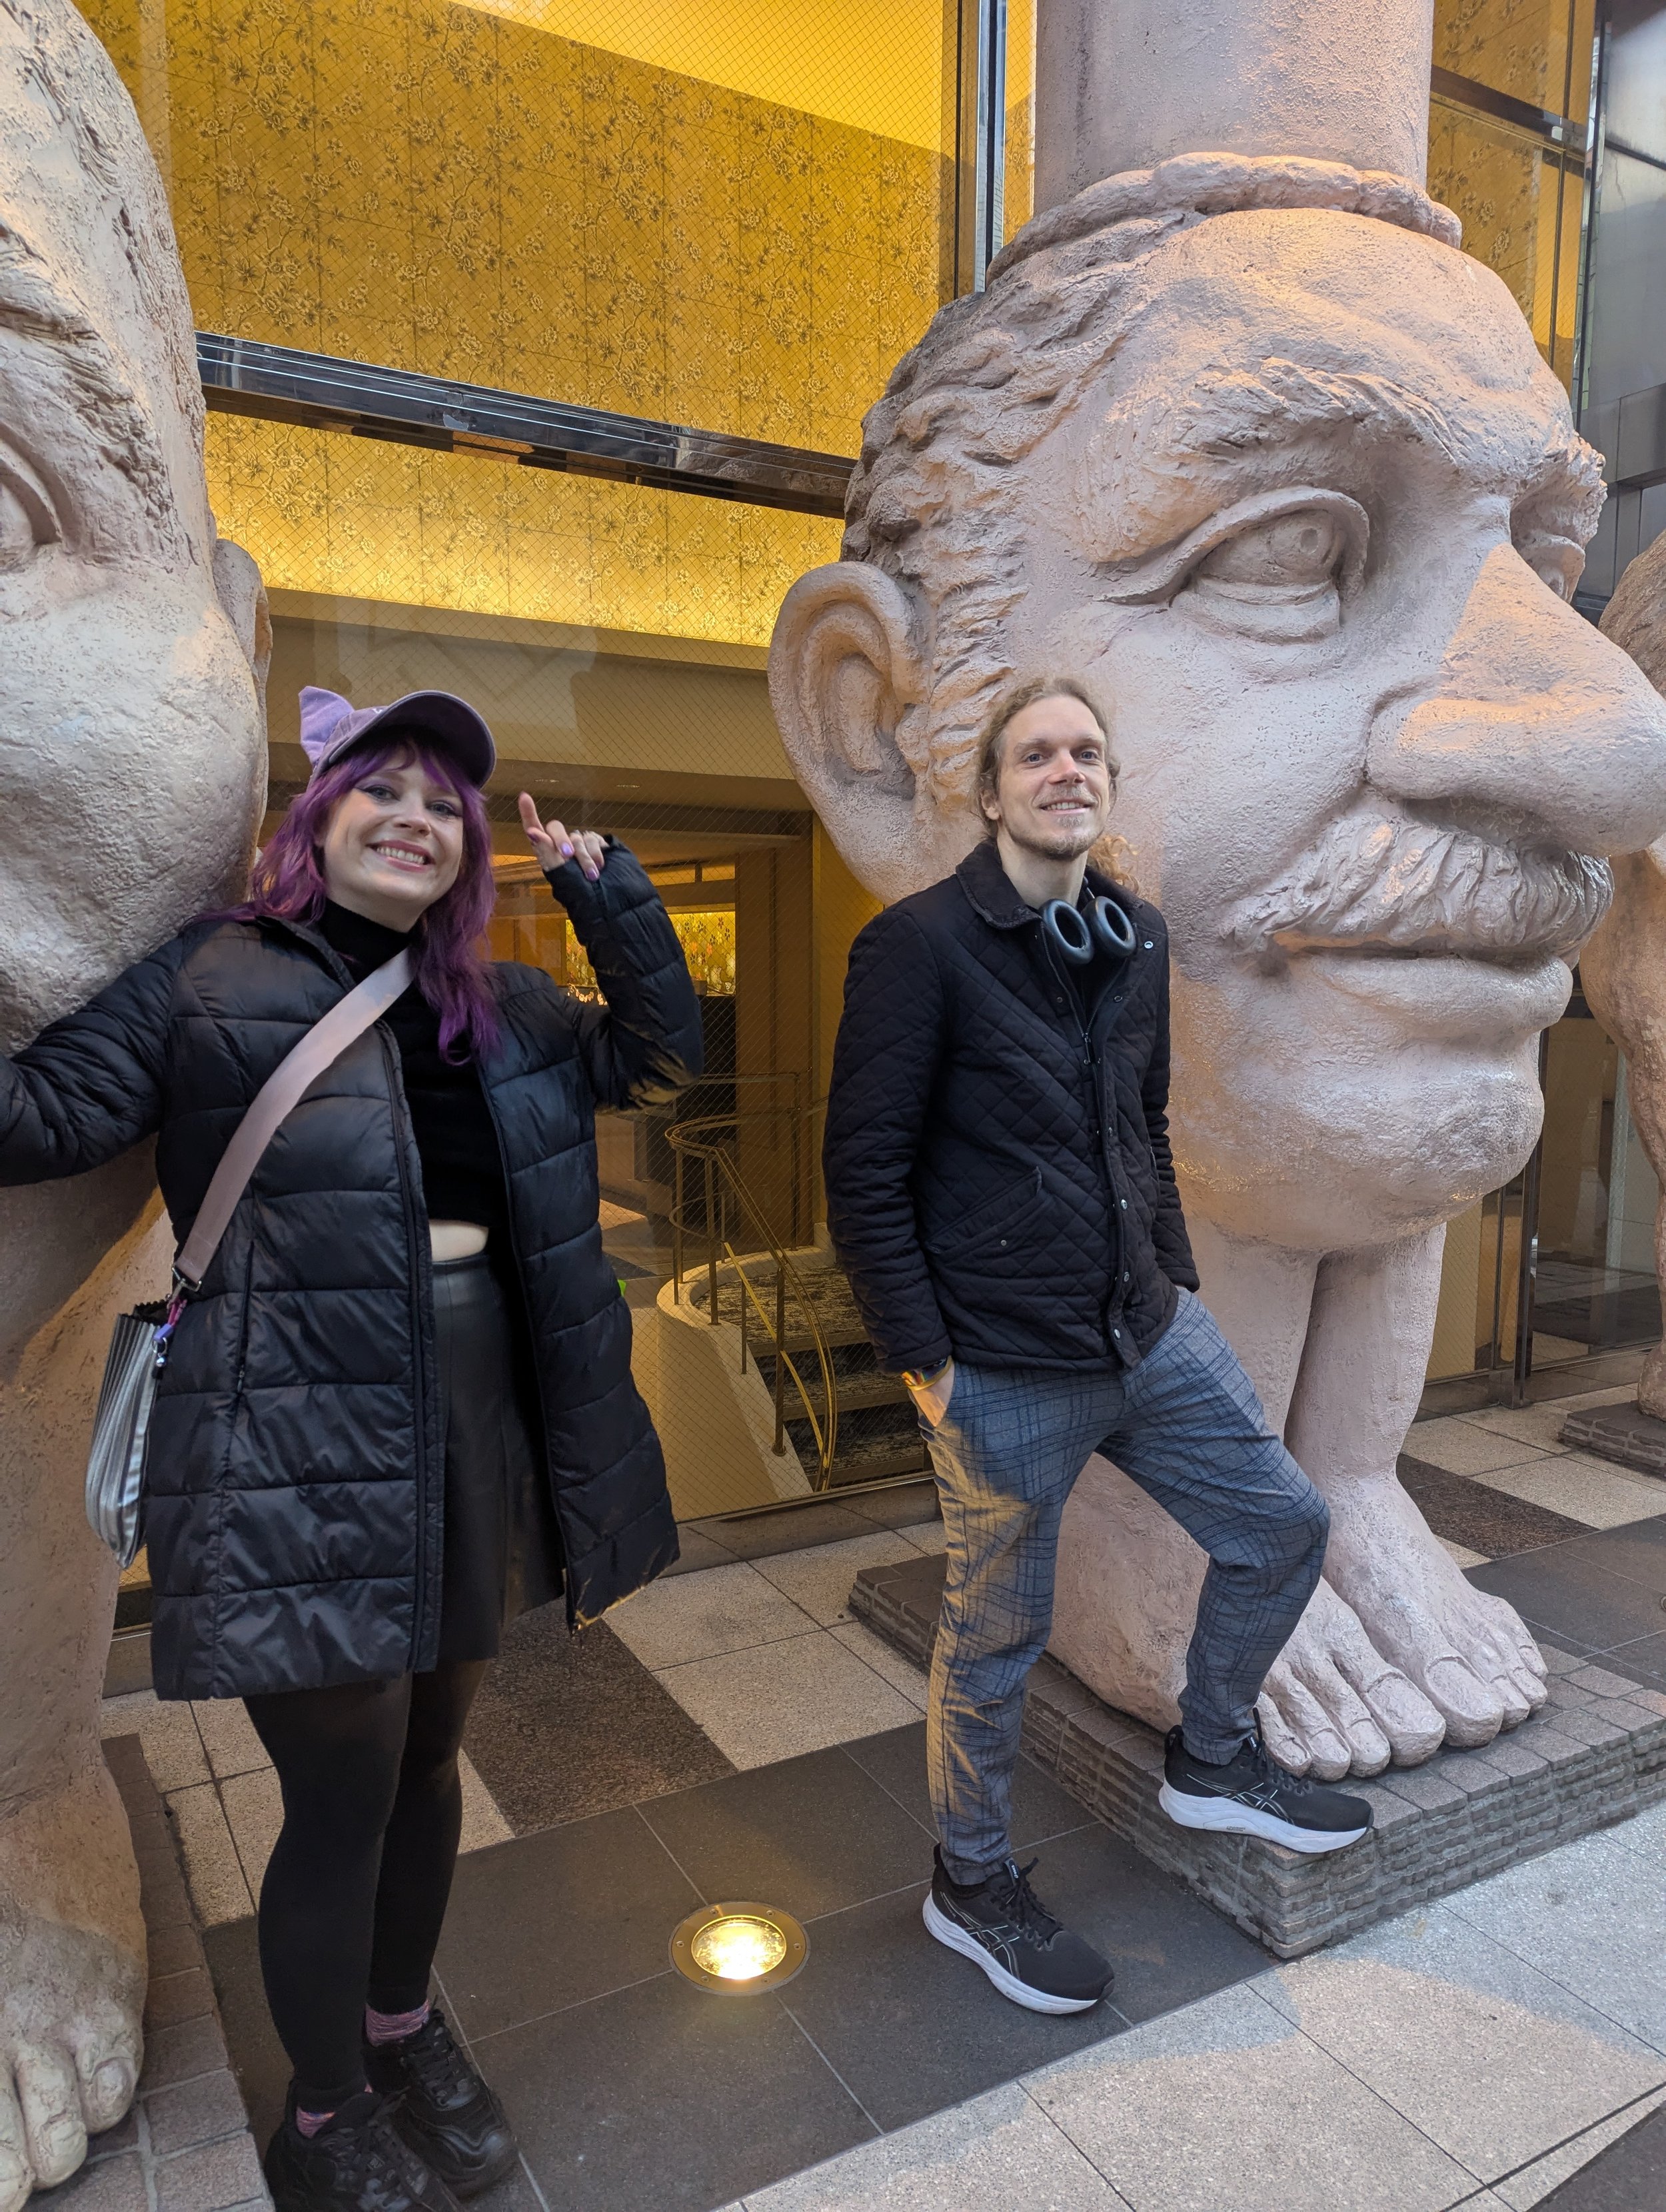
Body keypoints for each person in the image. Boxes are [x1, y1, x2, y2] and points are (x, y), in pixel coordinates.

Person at [0, 686, 702, 2212]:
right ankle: (324, 2116)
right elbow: (39, 1116)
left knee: (434, 1758)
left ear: (469, 854)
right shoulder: (210, 979)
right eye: (379, 788)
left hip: (477, 1417)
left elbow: (657, 1059)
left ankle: (400, 2028)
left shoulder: (504, 1008)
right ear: (312, 821)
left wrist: (606, 894)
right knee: (340, 1793)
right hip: (292, 1437)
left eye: (445, 803)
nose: (417, 816)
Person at [822, 676, 1373, 2017]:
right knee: (993, 1638)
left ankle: (1213, 1753)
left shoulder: (1133, 936)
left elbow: (1141, 1127)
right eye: (1036, 754)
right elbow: (862, 1167)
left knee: (1281, 1523)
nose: (1064, 770)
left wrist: (1173, 1279)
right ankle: (969, 1881)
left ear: (1102, 783)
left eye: (1084, 752)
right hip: (997, 1366)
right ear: (993, 789)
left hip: (1144, 1333)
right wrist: (924, 1360)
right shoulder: (920, 946)